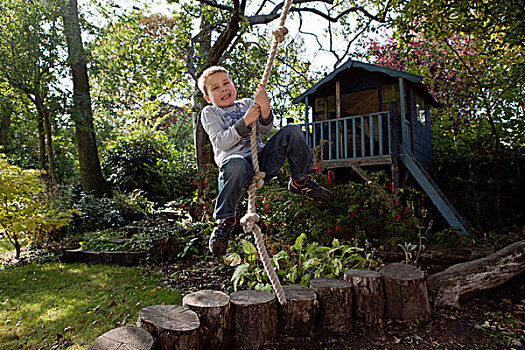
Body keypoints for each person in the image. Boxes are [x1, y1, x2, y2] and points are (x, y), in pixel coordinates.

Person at [198, 66, 332, 256]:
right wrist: (244, 122)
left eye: (226, 83)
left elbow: (265, 130)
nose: (223, 89)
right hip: (236, 169)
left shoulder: (246, 104)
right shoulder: (210, 113)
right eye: (216, 88)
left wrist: (265, 107)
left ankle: (300, 180)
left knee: (293, 130)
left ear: (233, 84)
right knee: (235, 162)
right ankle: (224, 221)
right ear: (208, 98)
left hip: (261, 162)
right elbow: (221, 142)